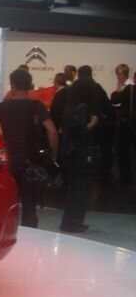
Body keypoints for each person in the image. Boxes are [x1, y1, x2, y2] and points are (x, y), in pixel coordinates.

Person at [0, 68, 58, 229]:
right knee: (29, 204)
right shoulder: (37, 107)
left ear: (13, 85)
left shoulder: (2, 107)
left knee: (6, 201)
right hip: (31, 161)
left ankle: (6, 233)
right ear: (29, 85)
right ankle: (30, 234)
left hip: (8, 161)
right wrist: (53, 155)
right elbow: (52, 131)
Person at [59, 66, 103, 233]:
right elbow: (81, 131)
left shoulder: (69, 106)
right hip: (79, 153)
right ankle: (73, 222)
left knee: (74, 188)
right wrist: (93, 123)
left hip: (69, 151)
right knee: (80, 189)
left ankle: (71, 220)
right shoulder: (83, 108)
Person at [111, 64, 134, 185]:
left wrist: (118, 89)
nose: (117, 77)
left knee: (124, 151)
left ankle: (126, 178)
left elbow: (114, 100)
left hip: (128, 124)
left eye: (119, 74)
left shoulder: (129, 87)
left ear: (125, 73)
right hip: (129, 122)